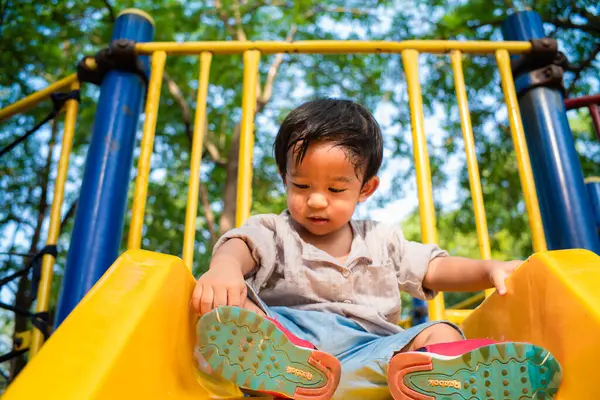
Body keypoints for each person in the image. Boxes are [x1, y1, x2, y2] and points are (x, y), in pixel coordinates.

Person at [190, 99, 562, 400]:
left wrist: (487, 269)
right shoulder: (275, 229)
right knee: (233, 304)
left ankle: (442, 379)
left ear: (365, 189)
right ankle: (280, 372)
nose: (317, 201)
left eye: (336, 190)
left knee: (440, 330)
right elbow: (242, 244)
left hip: (371, 352)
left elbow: (434, 268)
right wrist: (225, 267)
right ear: (285, 178)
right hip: (289, 341)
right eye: (301, 186)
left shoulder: (382, 239)